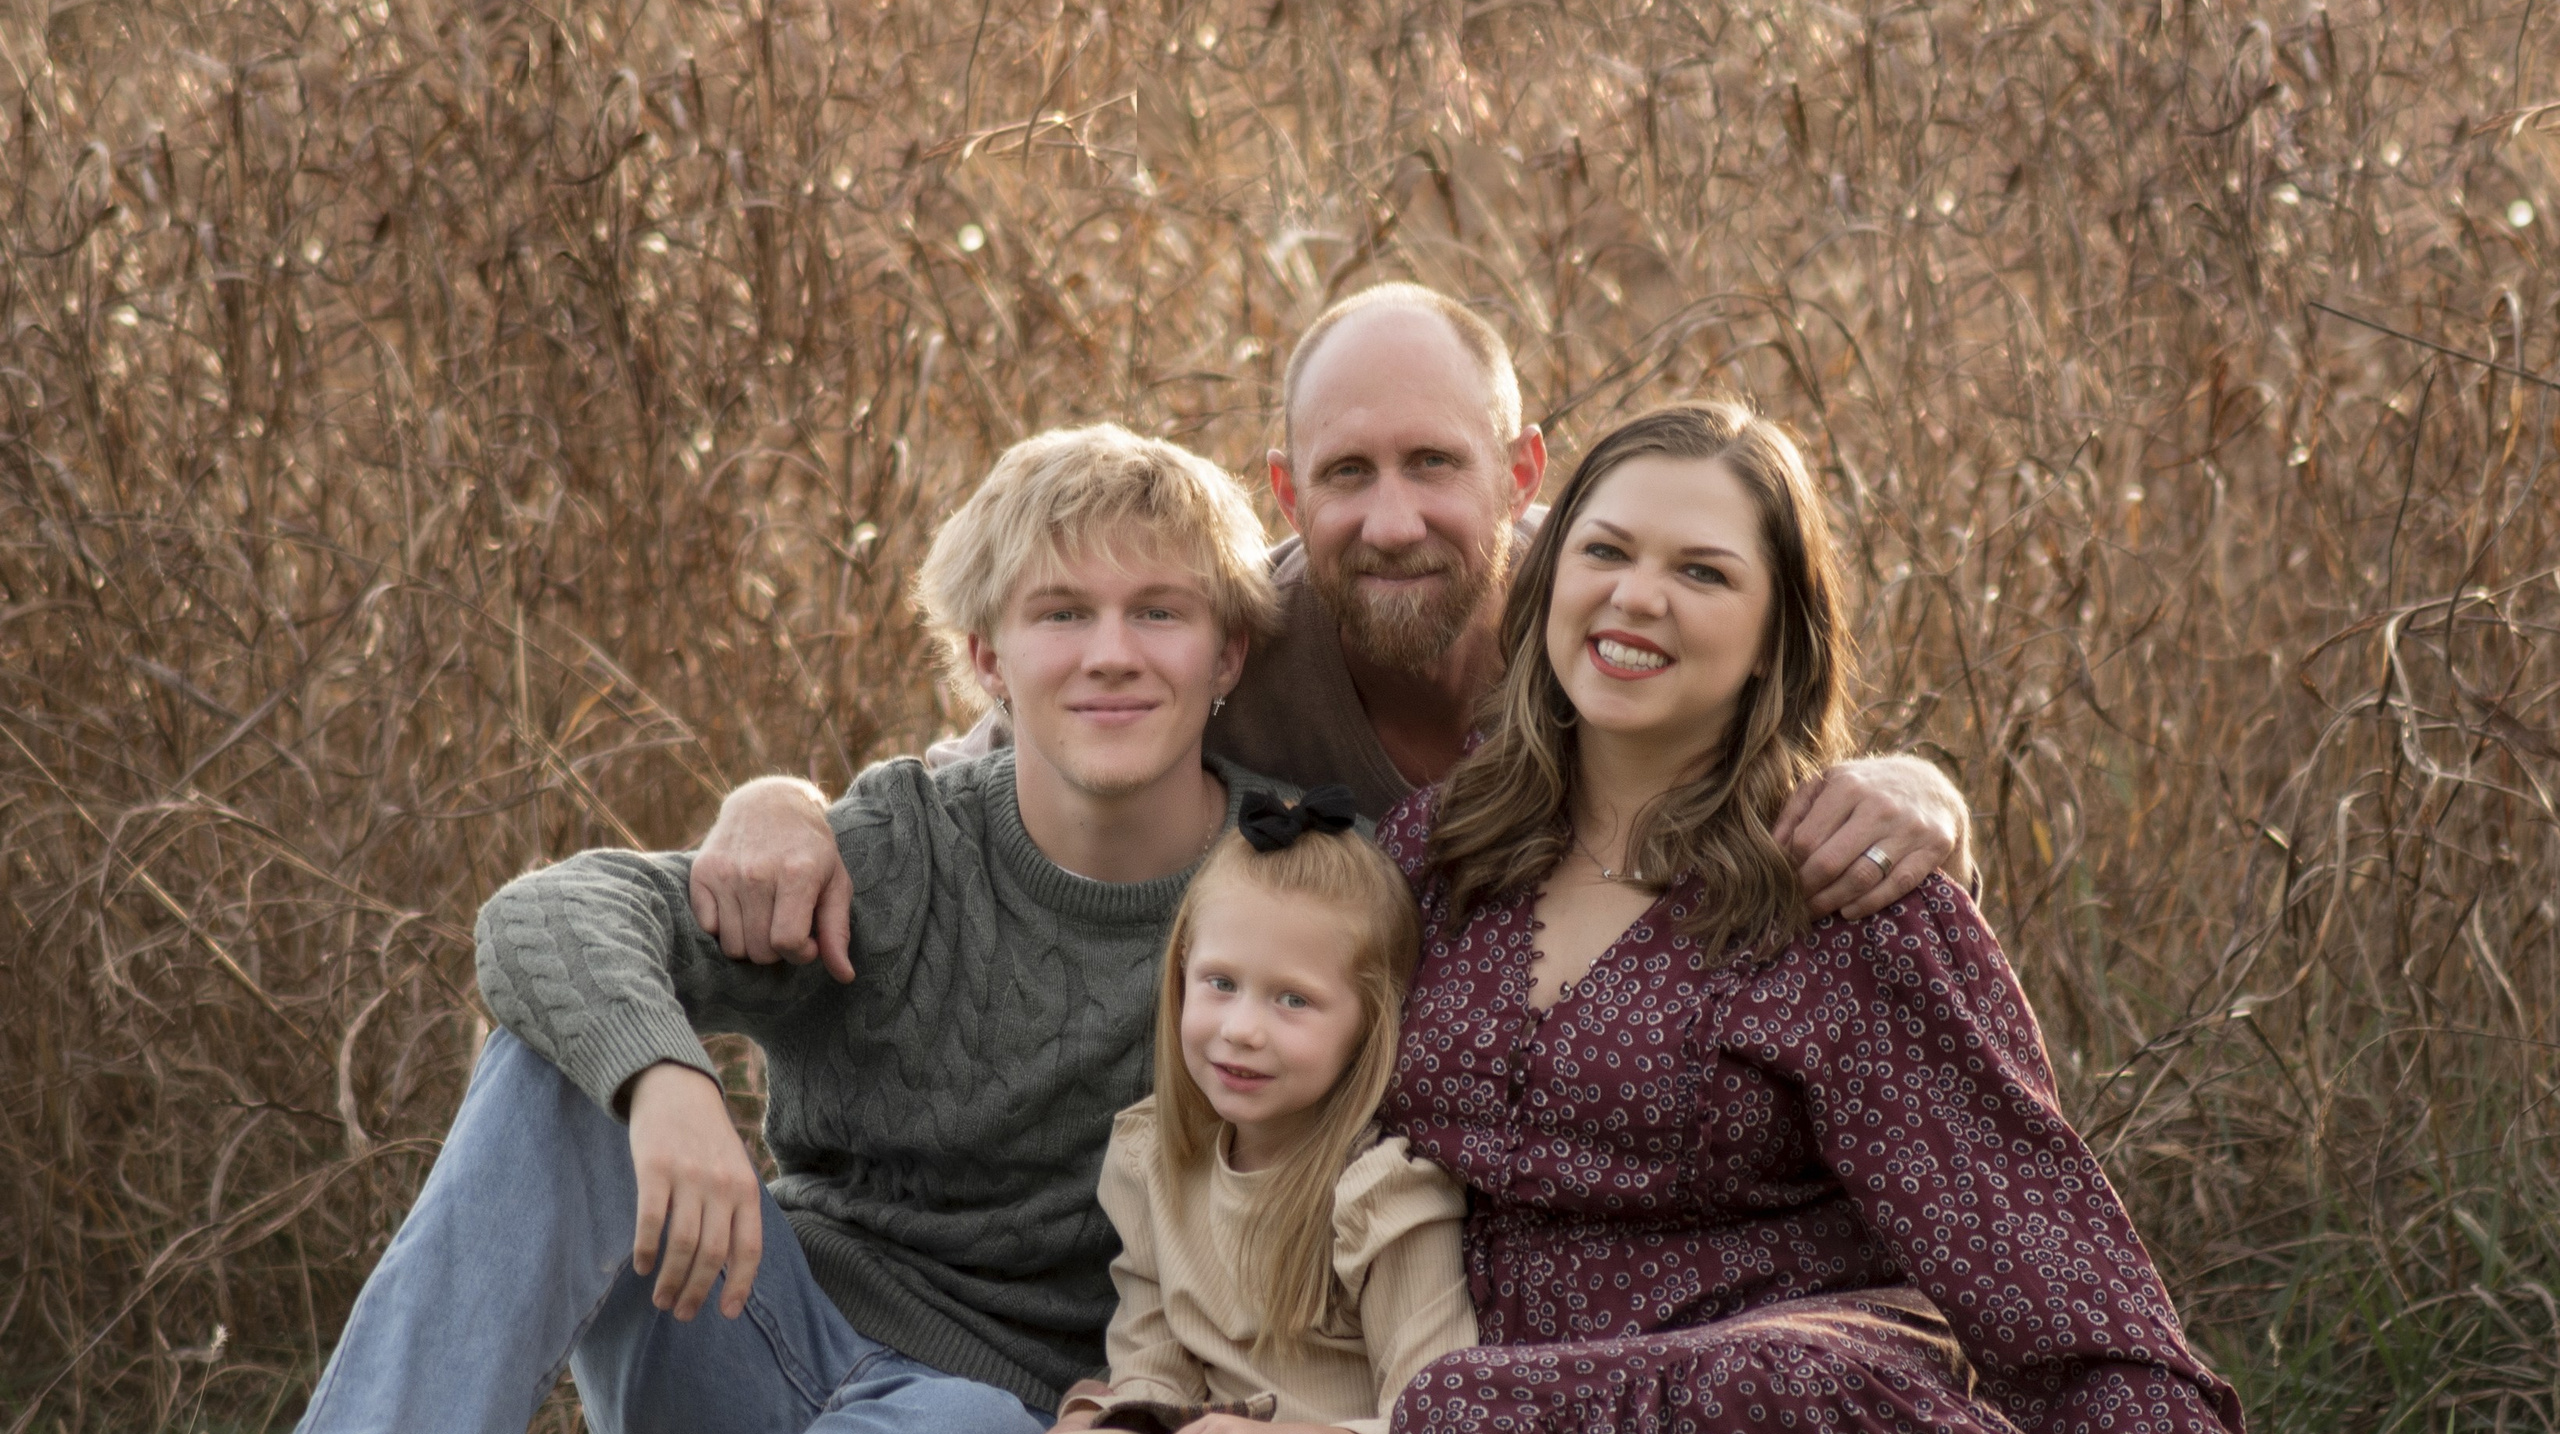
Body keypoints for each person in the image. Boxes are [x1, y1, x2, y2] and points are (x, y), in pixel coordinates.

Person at [69, 428, 1303, 1434]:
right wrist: (665, 1078)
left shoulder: (1285, 884)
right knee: (567, 1049)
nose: (1111, 652)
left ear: (1229, 655)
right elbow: (544, 917)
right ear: (987, 656)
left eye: (1159, 612)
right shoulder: (904, 848)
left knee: (975, 1421)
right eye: (1060, 613)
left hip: (985, 1429)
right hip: (749, 1334)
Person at [1370, 398, 2295, 1434]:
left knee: (1784, 1382)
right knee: (1448, 1417)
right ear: (1548, 578)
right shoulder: (1433, 861)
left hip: (1791, 1361)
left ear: (1773, 634)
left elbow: (2022, 1221)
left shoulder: (1847, 886)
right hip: (1495, 1403)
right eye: (1604, 551)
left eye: (1701, 572)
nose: (1636, 597)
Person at [686, 284, 1975, 978]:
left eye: (1434, 462)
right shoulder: (1239, 638)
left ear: (1524, 470)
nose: (1395, 518)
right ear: (1288, 491)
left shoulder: (1599, 621)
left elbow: (1759, 746)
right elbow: (998, 763)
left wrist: (1915, 785)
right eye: (1348, 474)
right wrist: (781, 803)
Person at [644, 791, 1476, 1434]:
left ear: (1371, 1023)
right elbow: (1153, 1363)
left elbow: (1436, 1418)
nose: (1242, 1028)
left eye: (1293, 1000)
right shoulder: (1160, 1159)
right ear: (1182, 977)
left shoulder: (1384, 1195)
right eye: (1220, 984)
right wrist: (1112, 1416)